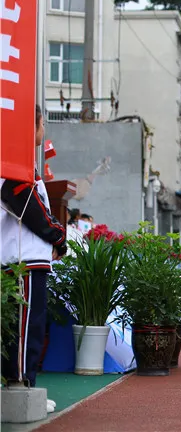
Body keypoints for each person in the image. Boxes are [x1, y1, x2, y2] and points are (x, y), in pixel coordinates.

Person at [1, 105, 67, 413]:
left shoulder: (17, 159)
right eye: (43, 124)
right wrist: (56, 235)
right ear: (33, 126)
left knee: (27, 327)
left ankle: (21, 383)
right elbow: (23, 200)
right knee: (27, 328)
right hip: (21, 260)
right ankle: (21, 387)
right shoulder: (13, 160)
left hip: (25, 257)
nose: (45, 132)